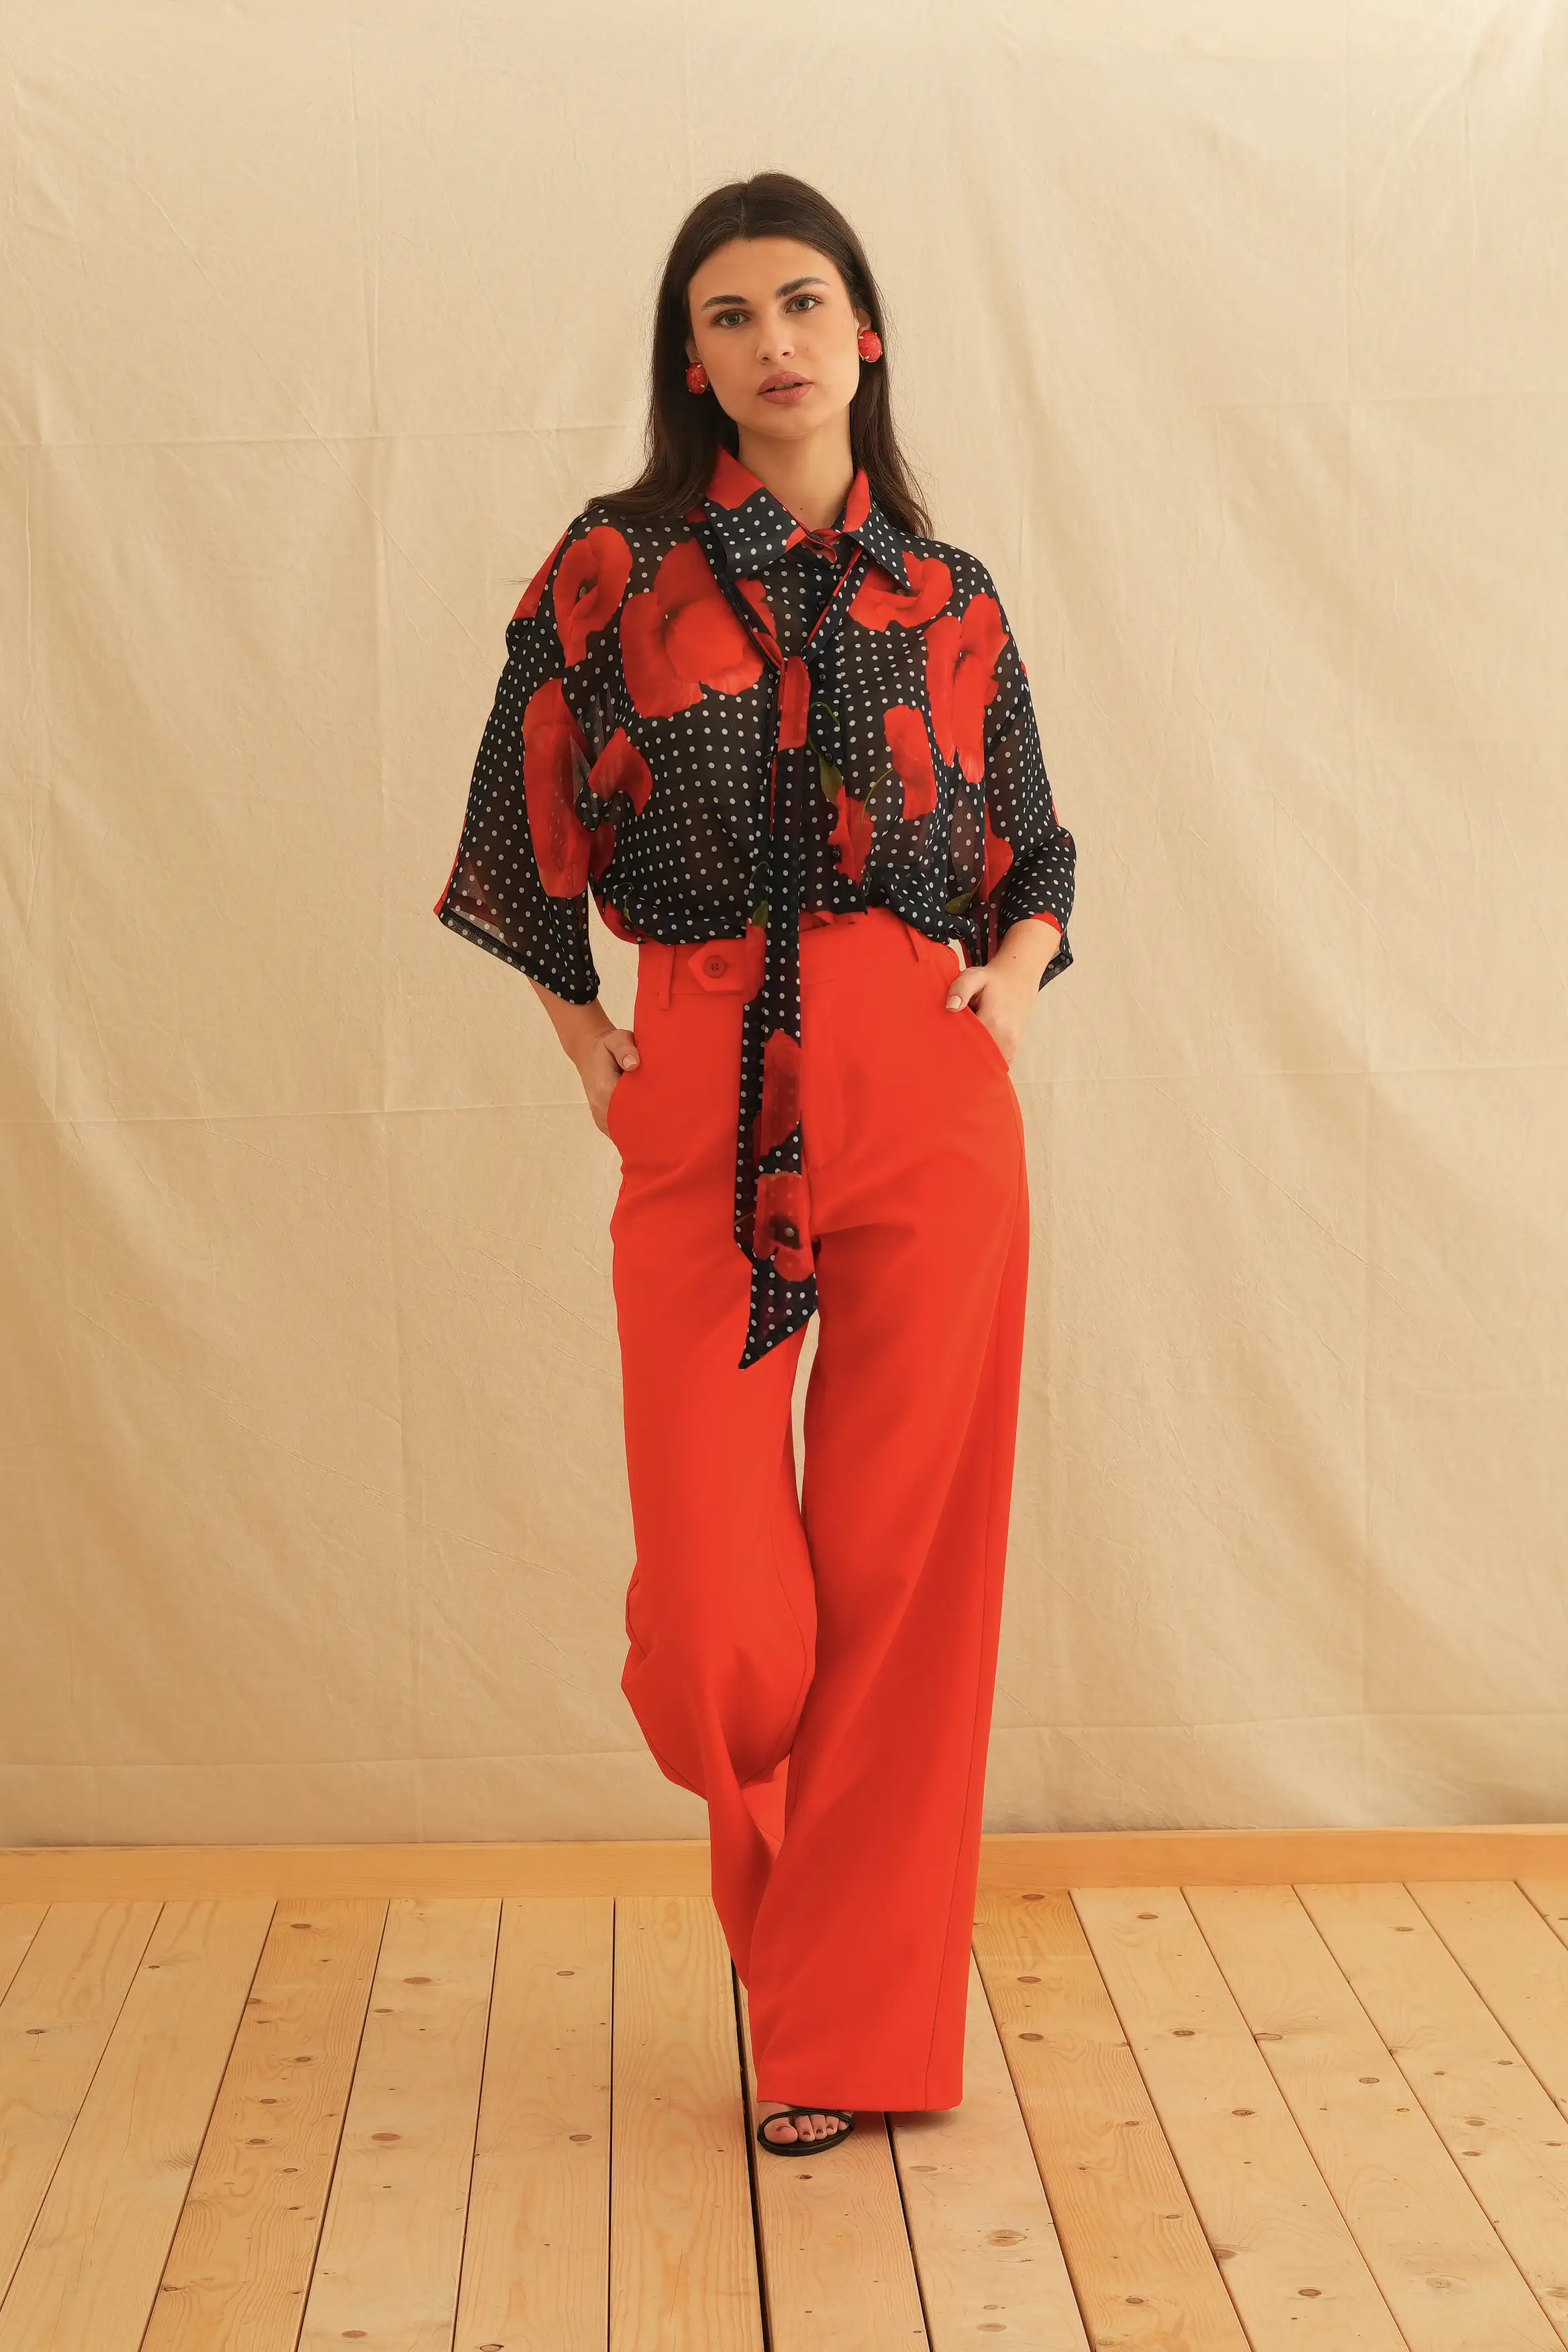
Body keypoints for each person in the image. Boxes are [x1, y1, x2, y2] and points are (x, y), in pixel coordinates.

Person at [434, 172, 1076, 2156]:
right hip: (706, 1084)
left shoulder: (947, 595)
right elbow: (518, 830)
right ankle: (803, 1928)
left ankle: (838, 2035)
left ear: (862, 332)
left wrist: (1007, 998)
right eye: (729, 316)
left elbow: (1033, 847)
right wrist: (592, 1048)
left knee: (908, 1583)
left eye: (802, 303)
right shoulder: (612, 570)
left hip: (926, 1098)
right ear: (692, 360)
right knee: (727, 1616)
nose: (772, 342)